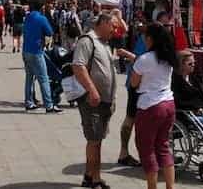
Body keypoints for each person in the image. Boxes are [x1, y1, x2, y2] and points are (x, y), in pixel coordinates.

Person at [120, 22, 176, 189]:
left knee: (147, 149)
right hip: (168, 103)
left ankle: (152, 186)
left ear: (150, 38)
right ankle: (170, 186)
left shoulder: (145, 59)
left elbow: (134, 83)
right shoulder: (168, 57)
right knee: (163, 147)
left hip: (150, 106)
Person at [73, 13, 116, 189]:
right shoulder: (87, 40)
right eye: (112, 25)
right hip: (93, 101)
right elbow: (78, 66)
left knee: (97, 139)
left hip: (104, 101)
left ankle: (89, 176)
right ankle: (95, 179)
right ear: (103, 23)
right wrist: (92, 90)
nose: (115, 29)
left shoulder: (103, 43)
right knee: (94, 140)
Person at [115, 19, 145, 168]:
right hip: (137, 85)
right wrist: (129, 55)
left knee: (135, 120)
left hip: (144, 86)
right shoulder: (144, 39)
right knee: (132, 119)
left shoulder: (147, 38)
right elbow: (139, 61)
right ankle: (124, 153)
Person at [23, 0, 62, 114]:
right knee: (43, 78)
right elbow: (49, 32)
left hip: (26, 50)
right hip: (36, 51)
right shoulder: (42, 18)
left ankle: (29, 102)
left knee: (29, 78)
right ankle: (49, 105)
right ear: (41, 8)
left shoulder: (28, 17)